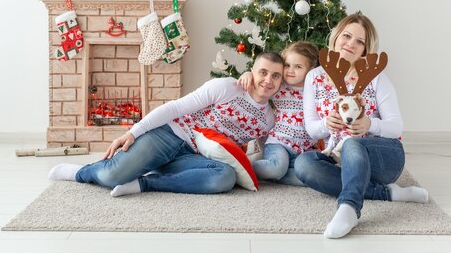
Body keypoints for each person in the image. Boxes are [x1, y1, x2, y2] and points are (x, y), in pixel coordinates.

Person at [48, 52, 284, 196]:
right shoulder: (226, 87)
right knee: (112, 176)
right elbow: (175, 107)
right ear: (251, 71)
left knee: (224, 178)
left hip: (196, 157)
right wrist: (134, 132)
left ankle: (145, 183)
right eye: (263, 72)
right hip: (169, 135)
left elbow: (262, 153)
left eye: (276, 76)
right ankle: (80, 171)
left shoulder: (268, 120)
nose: (268, 80)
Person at [294, 13, 429, 239]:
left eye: (360, 42)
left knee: (353, 144)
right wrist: (327, 124)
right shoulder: (314, 77)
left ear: (366, 50)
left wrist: (370, 124)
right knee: (304, 164)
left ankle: (349, 207)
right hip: (339, 158)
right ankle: (386, 194)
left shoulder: (377, 79)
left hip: (384, 158)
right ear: (336, 37)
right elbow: (311, 128)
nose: (351, 44)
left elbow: (395, 127)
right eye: (346, 36)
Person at [237, 41, 320, 186]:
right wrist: (248, 73)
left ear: (311, 69)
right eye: (287, 65)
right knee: (276, 168)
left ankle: (276, 175)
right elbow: (260, 80)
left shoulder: (316, 90)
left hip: (304, 149)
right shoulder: (280, 86)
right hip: (279, 144)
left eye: (298, 67)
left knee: (311, 175)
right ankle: (240, 169)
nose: (290, 71)